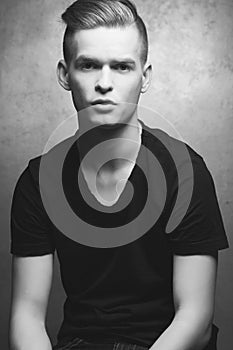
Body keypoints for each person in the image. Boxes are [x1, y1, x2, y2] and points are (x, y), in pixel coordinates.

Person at [9, 1, 229, 350]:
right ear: (65, 75)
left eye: (123, 67)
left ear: (145, 77)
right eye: (89, 65)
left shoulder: (185, 171)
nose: (105, 83)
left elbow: (195, 319)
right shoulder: (38, 181)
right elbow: (27, 316)